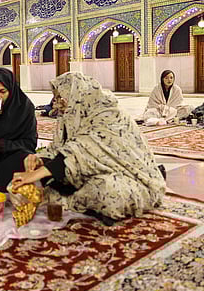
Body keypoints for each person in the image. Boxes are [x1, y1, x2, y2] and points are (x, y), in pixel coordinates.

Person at [11, 72, 165, 224]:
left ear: (76, 94)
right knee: (42, 186)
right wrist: (39, 160)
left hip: (128, 175)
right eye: (55, 98)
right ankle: (74, 201)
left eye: (60, 97)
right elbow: (58, 148)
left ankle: (71, 202)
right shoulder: (70, 115)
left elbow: (84, 148)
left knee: (108, 191)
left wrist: (36, 174)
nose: (57, 104)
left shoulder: (108, 113)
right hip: (89, 172)